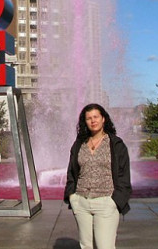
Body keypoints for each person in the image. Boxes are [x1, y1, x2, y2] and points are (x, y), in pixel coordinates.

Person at [64, 103, 131, 249]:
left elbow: (124, 175)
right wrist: (72, 197)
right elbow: (71, 172)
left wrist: (115, 201)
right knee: (85, 246)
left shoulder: (115, 144)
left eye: (96, 117)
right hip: (81, 202)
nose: (93, 121)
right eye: (89, 118)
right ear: (85, 122)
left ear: (103, 119)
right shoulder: (79, 144)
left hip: (106, 202)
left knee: (105, 246)